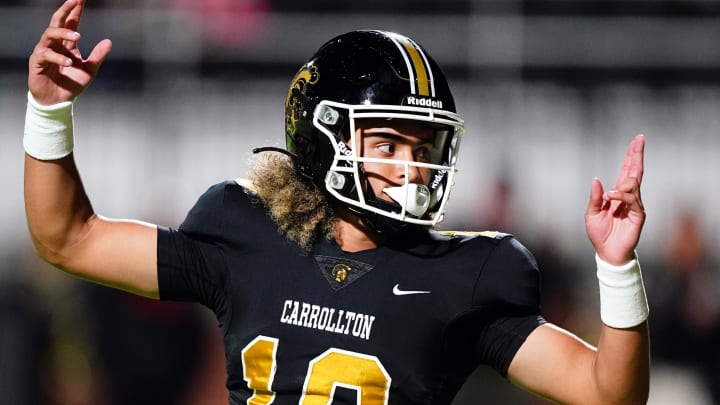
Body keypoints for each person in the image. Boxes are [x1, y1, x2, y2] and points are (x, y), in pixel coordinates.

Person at [24, 1, 650, 403]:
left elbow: (608, 394)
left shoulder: (465, 276)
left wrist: (618, 269)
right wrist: (49, 111)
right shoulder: (247, 233)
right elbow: (67, 238)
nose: (409, 167)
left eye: (422, 145)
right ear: (324, 135)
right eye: (387, 142)